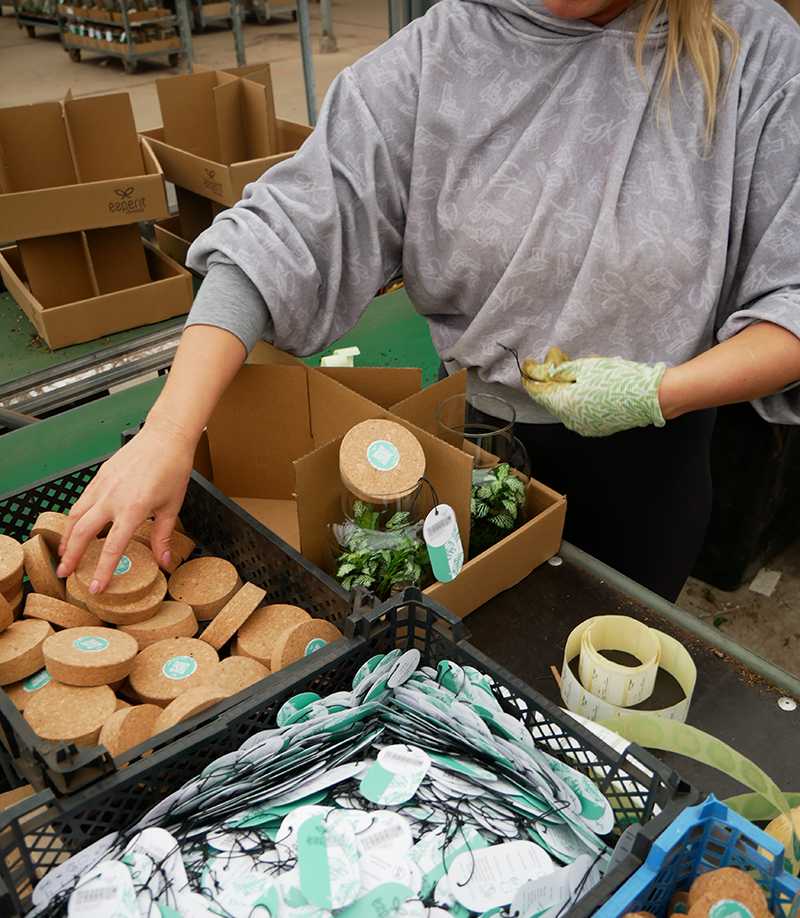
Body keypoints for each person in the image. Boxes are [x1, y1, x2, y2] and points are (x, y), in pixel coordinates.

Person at [57, 0, 800, 603]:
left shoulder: (753, 53)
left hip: (651, 472)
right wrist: (171, 429)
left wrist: (659, 392)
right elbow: (282, 235)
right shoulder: (440, 55)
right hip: (472, 458)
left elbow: (792, 299)